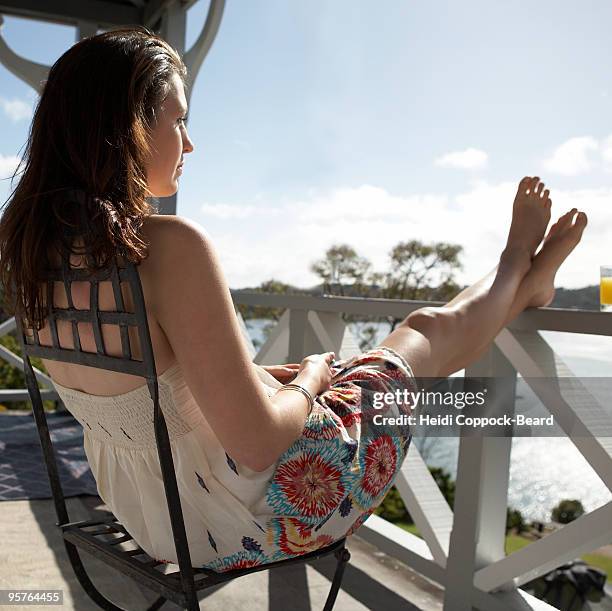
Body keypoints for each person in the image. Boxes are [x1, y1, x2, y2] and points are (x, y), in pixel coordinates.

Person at [0, 28, 588, 572]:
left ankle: (518, 278)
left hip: (152, 516)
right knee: (420, 333)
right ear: (128, 124)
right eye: (178, 120)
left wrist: (257, 379)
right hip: (246, 519)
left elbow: (151, 386)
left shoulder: (29, 256)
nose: (190, 143)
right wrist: (306, 380)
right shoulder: (167, 247)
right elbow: (256, 445)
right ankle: (516, 269)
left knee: (391, 351)